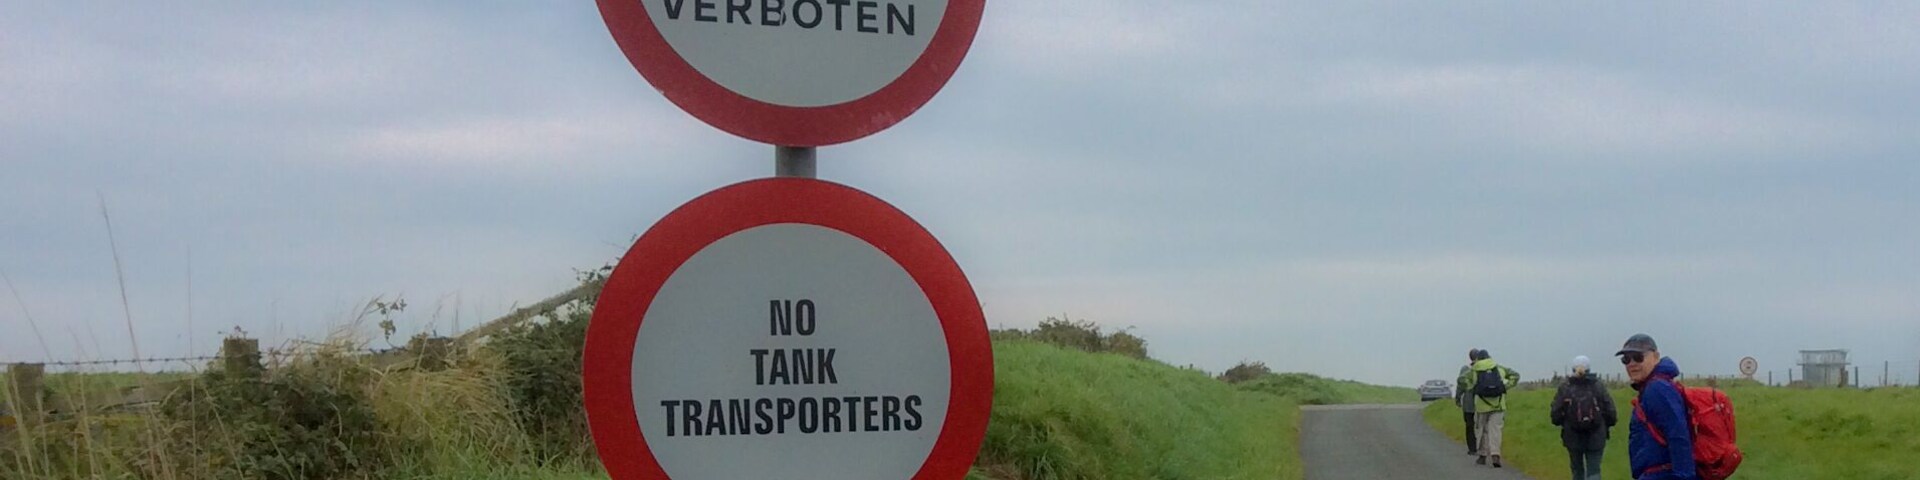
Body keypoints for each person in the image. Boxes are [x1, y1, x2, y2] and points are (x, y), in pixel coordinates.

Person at [1618, 333, 1697, 480]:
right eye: (1626, 359)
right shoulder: (1653, 387)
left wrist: (1684, 476)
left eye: (1638, 357)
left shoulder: (1657, 389)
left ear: (1655, 357)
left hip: (1662, 474)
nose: (1631, 363)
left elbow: (1678, 435)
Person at [1551, 355, 1616, 480]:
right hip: (1596, 436)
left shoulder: (1566, 387)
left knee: (1577, 470)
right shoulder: (1598, 386)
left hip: (1572, 436)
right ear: (1589, 369)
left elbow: (1555, 415)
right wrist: (1607, 425)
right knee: (1594, 470)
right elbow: (1611, 411)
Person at [1463, 349, 1519, 468]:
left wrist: (1472, 387)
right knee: (1496, 430)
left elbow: (1462, 379)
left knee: (1482, 430)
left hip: (1482, 405)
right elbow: (1516, 375)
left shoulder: (1474, 370)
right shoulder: (1498, 368)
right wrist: (1505, 387)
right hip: (1498, 405)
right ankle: (1495, 455)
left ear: (1478, 358)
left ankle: (1483, 455)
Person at [1455, 349, 1481, 455]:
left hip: (1469, 402)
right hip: (1482, 401)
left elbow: (1460, 385)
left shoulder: (1465, 370)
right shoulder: (1483, 369)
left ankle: (1472, 448)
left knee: (1469, 425)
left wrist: (1457, 398)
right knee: (1481, 425)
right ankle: (1482, 447)